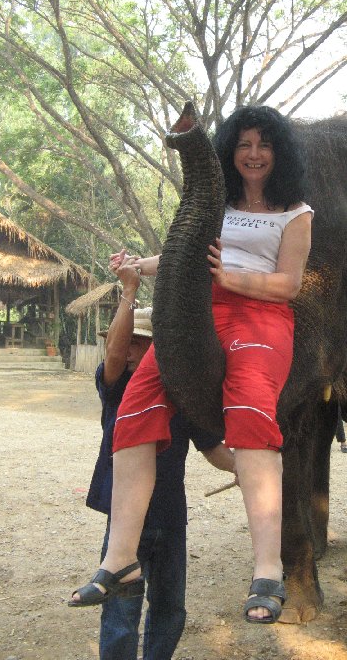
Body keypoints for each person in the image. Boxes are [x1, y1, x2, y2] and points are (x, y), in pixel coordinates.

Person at [70, 105, 313, 624]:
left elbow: (289, 284)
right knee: (134, 411)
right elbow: (183, 255)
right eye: (244, 144)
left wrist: (231, 278)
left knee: (250, 415)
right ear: (230, 150)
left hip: (260, 318)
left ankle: (268, 569)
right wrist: (139, 266)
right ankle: (121, 561)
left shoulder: (296, 212)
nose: (253, 154)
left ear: (279, 153)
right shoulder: (215, 205)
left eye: (264, 145)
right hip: (197, 312)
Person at [70, 256, 236, 660]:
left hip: (170, 518)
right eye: (128, 344)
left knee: (170, 608)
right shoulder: (118, 387)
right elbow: (112, 354)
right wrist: (129, 291)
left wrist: (250, 468)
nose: (128, 351)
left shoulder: (183, 394)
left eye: (139, 344)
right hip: (128, 523)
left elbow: (213, 448)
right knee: (121, 608)